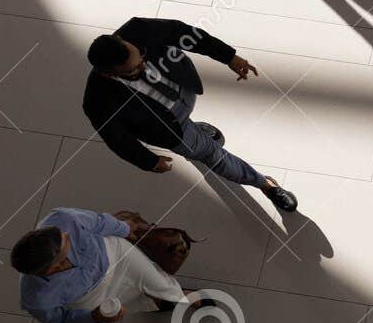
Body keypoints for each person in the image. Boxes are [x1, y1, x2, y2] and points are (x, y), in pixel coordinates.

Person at [82, 17, 299, 213]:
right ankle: (264, 184)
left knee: (199, 133)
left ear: (121, 39)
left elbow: (184, 33)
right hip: (171, 130)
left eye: (142, 57)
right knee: (214, 157)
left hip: (184, 87)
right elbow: (117, 139)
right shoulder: (97, 101)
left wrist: (229, 57)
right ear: (108, 73)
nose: (145, 65)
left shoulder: (138, 29)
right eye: (134, 70)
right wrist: (148, 161)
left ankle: (199, 129)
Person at [12, 207, 189, 323]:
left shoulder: (62, 219)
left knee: (156, 279)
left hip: (114, 254)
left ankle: (180, 295)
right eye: (66, 242)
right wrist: (95, 318)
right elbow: (59, 321)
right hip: (90, 296)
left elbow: (99, 223)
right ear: (53, 266)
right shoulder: (35, 298)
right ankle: (156, 303)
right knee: (128, 303)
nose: (67, 234)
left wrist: (125, 229)